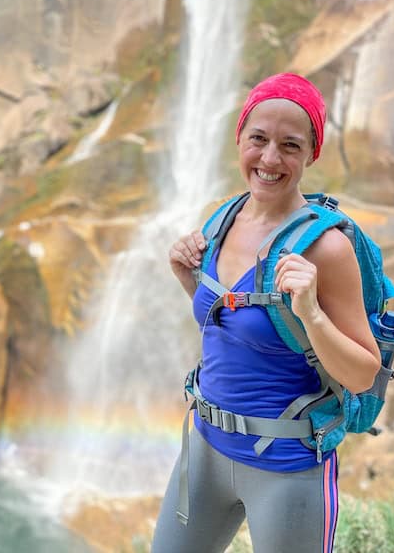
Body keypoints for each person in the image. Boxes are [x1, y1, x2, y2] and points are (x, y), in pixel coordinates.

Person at [151, 73, 381, 553]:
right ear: (240, 138)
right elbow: (235, 331)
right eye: (258, 139)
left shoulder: (327, 248)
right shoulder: (223, 218)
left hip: (287, 467)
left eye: (290, 146)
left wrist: (313, 315)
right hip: (204, 451)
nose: (270, 159)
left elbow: (363, 374)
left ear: (311, 154)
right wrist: (187, 278)